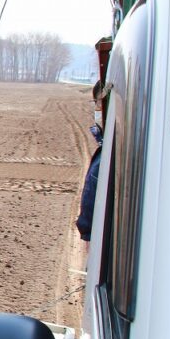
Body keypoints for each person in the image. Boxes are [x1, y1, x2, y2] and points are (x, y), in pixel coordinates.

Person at [76, 80, 105, 247]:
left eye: (100, 103)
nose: (98, 109)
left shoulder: (110, 152)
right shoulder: (107, 148)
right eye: (96, 104)